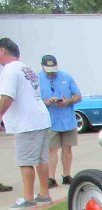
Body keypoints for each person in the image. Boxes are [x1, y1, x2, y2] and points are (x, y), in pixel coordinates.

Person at [0, 37, 52, 210]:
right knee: (41, 159)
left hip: (27, 122)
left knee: (25, 161)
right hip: (41, 118)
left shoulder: (9, 69)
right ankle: (44, 194)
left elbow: (7, 97)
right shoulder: (25, 68)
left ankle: (28, 198)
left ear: (3, 51)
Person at [37, 54, 81, 188]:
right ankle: (51, 178)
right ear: (42, 67)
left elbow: (78, 96)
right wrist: (46, 102)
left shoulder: (66, 77)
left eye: (53, 70)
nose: (51, 73)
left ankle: (66, 175)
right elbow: (33, 100)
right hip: (50, 120)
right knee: (52, 149)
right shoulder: (37, 80)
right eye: (49, 71)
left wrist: (68, 101)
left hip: (67, 119)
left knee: (67, 148)